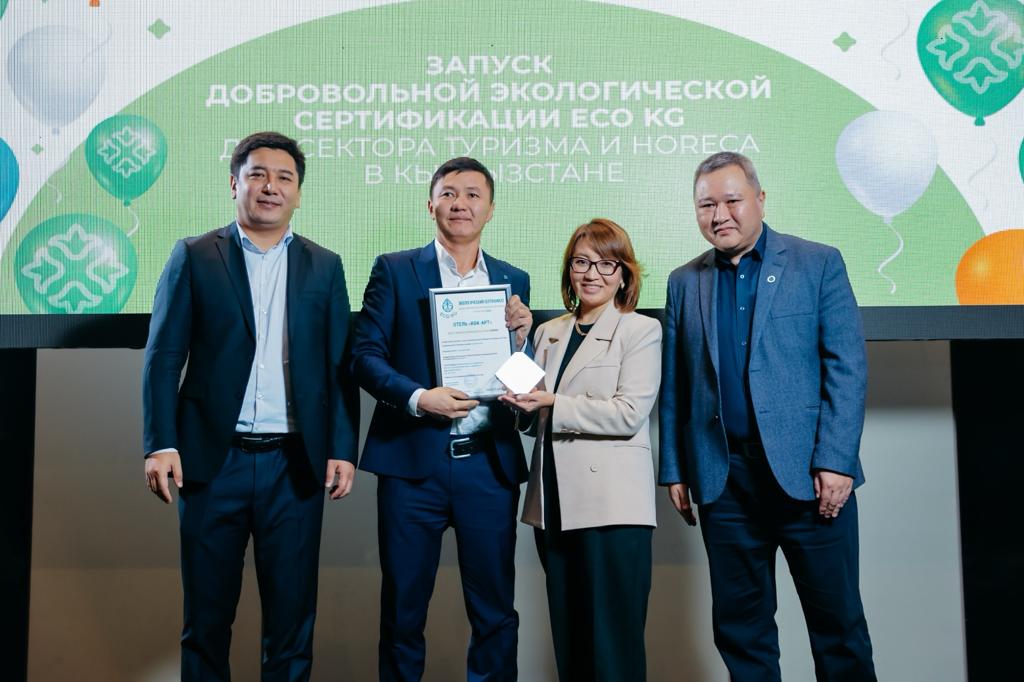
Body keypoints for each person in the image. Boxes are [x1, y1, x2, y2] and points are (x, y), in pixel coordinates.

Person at [142, 131, 358, 681]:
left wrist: (342, 448)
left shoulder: (324, 265)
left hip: (295, 465)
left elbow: (338, 367)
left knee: (291, 624)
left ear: (298, 194)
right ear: (234, 183)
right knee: (206, 622)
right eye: (257, 174)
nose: (270, 186)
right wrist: (160, 443)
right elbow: (164, 357)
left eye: (284, 177)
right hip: (213, 463)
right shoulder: (195, 255)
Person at [659, 151, 876, 681]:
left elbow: (846, 366)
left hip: (810, 479)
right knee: (742, 633)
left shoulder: (817, 263)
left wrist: (836, 461)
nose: (720, 215)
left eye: (732, 200)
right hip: (724, 481)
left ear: (760, 199)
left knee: (838, 628)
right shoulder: (684, 281)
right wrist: (675, 468)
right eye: (706, 205)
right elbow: (677, 386)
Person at [351, 157, 533, 681]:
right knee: (403, 612)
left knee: (495, 612)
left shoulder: (512, 279)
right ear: (430, 205)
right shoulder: (394, 269)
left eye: (473, 194)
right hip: (414, 467)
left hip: (487, 466)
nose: (460, 204)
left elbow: (519, 380)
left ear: (491, 209)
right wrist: (417, 397)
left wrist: (524, 341)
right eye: (449, 193)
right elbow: (364, 357)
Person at [501, 218, 660, 682]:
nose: (592, 274)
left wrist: (552, 402)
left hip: (611, 509)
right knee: (570, 645)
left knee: (613, 650)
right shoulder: (548, 332)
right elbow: (531, 416)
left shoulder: (641, 330)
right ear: (569, 270)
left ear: (624, 274)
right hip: (553, 506)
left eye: (606, 264)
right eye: (581, 262)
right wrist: (516, 367)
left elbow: (628, 414)